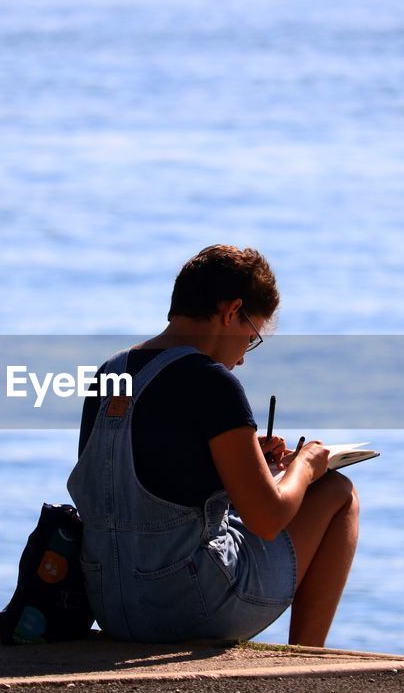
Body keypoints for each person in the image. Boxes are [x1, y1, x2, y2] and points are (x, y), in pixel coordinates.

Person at [68, 245, 359, 647]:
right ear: (230, 312)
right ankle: (307, 656)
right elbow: (268, 518)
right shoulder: (212, 382)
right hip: (190, 605)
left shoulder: (110, 371)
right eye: (252, 336)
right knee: (338, 492)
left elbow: (132, 480)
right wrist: (306, 466)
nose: (242, 358)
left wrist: (243, 455)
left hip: (112, 604)